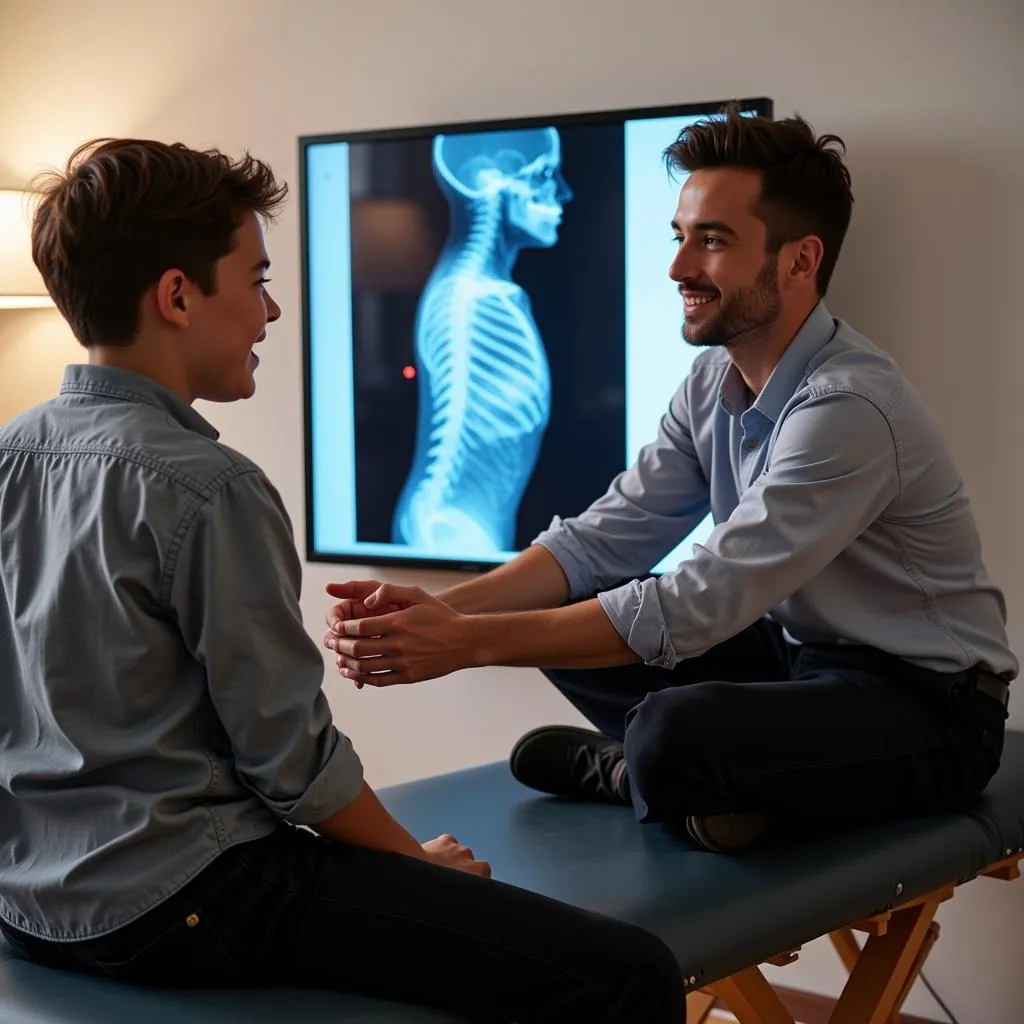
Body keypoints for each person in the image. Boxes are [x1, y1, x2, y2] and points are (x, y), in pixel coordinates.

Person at [0, 138, 685, 1023]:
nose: (273, 308)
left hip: (30, 910)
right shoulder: (209, 489)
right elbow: (291, 764)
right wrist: (412, 860)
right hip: (189, 903)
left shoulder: (10, 456)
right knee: (631, 971)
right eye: (255, 280)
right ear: (176, 296)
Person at [324, 108, 1016, 853]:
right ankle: (709, 785)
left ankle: (634, 772)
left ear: (799, 260)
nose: (679, 267)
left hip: (930, 707)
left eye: (712, 241)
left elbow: (700, 603)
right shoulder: (712, 380)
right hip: (802, 663)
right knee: (581, 601)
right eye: (681, 236)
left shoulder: (848, 406)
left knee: (667, 729)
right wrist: (434, 612)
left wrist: (465, 644)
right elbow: (600, 542)